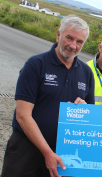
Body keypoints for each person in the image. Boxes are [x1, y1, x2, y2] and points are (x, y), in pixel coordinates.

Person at [1, 15, 95, 177]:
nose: (73, 45)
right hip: (25, 149)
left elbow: (91, 117)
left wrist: (84, 109)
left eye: (79, 42)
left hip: (61, 151)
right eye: (69, 38)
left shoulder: (86, 73)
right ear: (58, 35)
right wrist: (47, 152)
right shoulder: (36, 65)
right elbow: (23, 116)